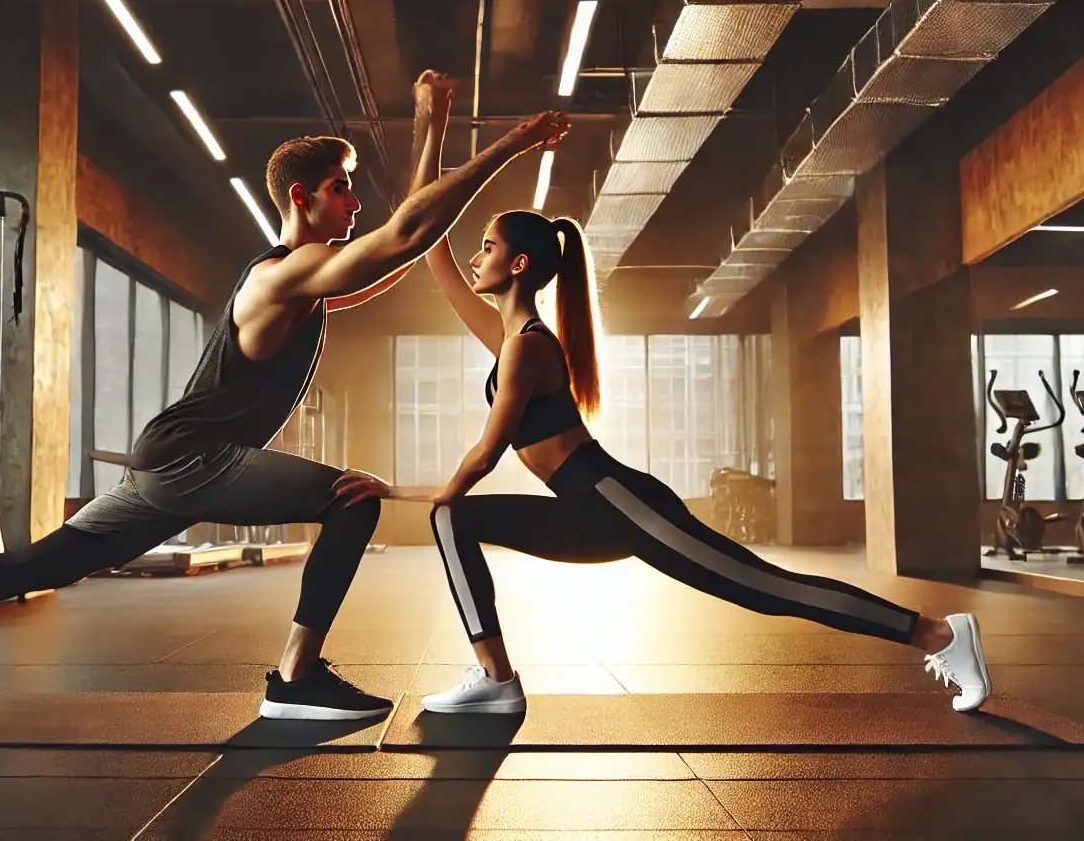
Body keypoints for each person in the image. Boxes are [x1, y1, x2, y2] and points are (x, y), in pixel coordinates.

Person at [0, 71, 572, 720]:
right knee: (351, 500)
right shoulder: (283, 274)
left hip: (174, 457)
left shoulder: (307, 278)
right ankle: (296, 679)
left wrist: (432, 129)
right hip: (195, 457)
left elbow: (408, 245)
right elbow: (406, 233)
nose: (354, 204)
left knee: (49, 562)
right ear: (303, 198)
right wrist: (509, 145)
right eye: (343, 188)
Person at [337, 204, 993, 715]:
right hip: (586, 509)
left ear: (519, 265)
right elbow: (434, 252)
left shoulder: (528, 347)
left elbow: (485, 455)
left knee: (770, 590)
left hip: (622, 504)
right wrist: (430, 136)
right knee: (453, 518)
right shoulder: (511, 339)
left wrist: (391, 490)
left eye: (487, 246)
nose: (475, 257)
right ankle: (496, 679)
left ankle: (939, 635)